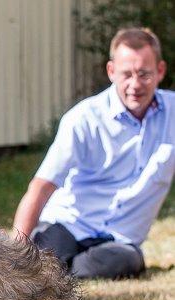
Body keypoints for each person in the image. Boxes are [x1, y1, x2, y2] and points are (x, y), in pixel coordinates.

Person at [12, 27, 174, 279]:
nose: (135, 84)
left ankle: (63, 270)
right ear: (111, 72)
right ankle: (50, 262)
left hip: (119, 241)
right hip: (68, 223)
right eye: (126, 74)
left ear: (160, 71)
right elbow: (41, 186)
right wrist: (16, 251)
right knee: (42, 263)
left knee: (123, 261)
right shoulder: (83, 119)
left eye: (144, 74)